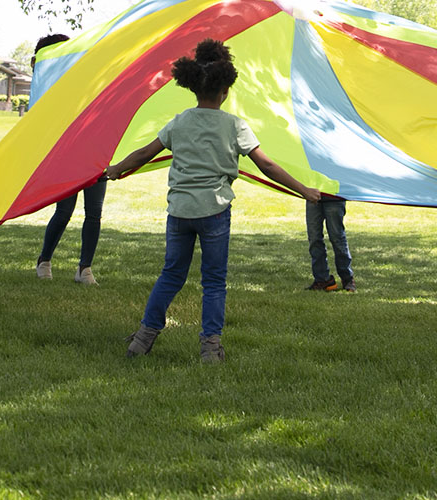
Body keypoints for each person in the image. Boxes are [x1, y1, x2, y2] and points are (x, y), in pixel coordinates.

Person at [105, 38, 322, 362]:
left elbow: (145, 153)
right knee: (214, 282)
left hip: (179, 212)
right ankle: (210, 349)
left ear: (193, 88)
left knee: (171, 275)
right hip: (215, 212)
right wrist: (304, 190)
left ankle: (142, 340)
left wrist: (117, 168)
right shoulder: (234, 125)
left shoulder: (179, 121)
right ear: (225, 91)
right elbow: (267, 165)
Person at [31, 33, 108, 285]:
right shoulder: (48, 86)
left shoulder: (84, 78)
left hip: (95, 150)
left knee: (94, 212)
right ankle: (44, 260)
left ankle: (84, 268)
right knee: (64, 210)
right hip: (65, 154)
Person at [306, 198, 355, 291]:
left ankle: (347, 278)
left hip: (334, 196)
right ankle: (323, 280)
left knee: (337, 238)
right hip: (312, 194)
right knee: (314, 239)